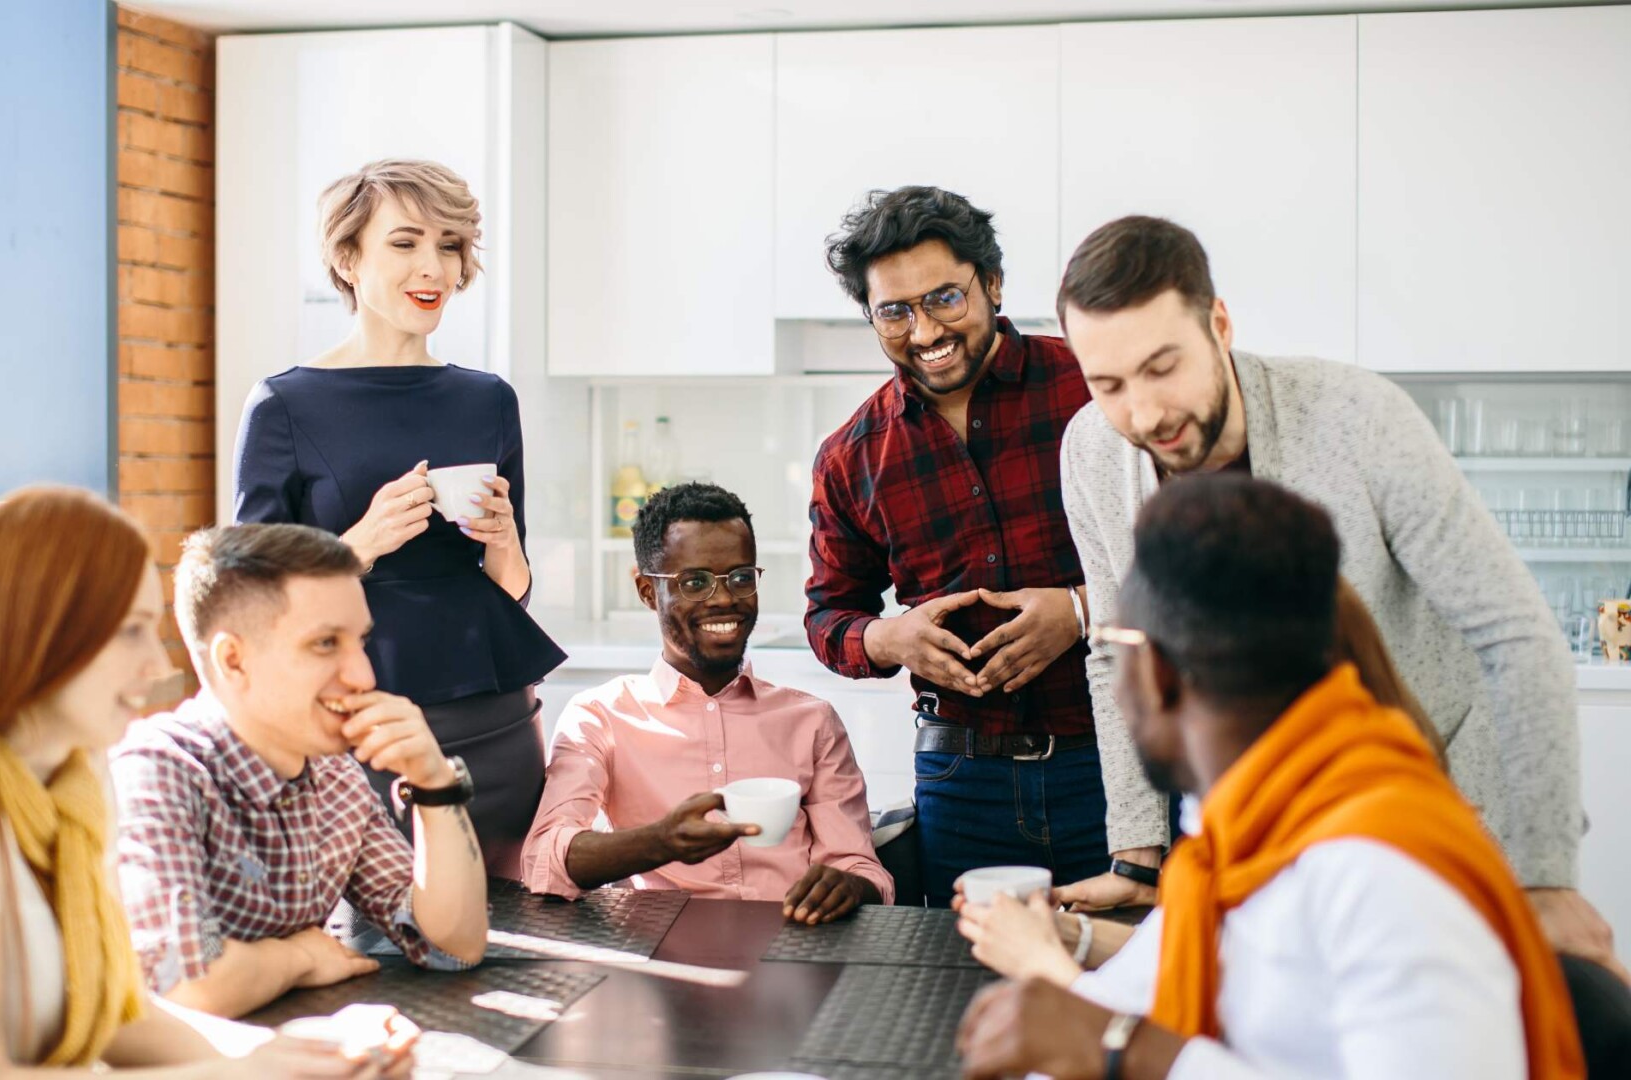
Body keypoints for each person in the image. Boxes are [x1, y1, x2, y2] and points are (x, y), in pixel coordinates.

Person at [1051, 214, 1619, 977]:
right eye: (1109, 383)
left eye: (1163, 367)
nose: (1144, 413)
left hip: (1430, 795)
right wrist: (1140, 852)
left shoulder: (1357, 417)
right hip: (1251, 818)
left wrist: (1543, 875)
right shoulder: (1090, 450)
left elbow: (1513, 632)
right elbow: (1114, 646)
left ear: (1218, 325)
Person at [956, 474, 1583, 1080]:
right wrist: (1067, 946)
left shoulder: (1382, 872)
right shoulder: (1239, 834)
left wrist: (1128, 1049)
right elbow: (1142, 991)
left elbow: (1124, 1033)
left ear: (1159, 676)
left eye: (1115, 644)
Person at [0, 488, 389, 1079]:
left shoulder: (75, 781)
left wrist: (302, 1058)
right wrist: (237, 1073)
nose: (160, 664)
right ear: (42, 634)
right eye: (130, 631)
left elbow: (117, 1010)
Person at [232, 158, 565, 876]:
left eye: (449, 246)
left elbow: (510, 589)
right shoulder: (284, 406)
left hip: (498, 719)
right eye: (406, 243)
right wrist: (359, 545)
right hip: (361, 724)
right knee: (381, 947)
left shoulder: (488, 400)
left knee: (522, 932)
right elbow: (244, 602)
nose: (434, 268)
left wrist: (503, 542)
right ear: (348, 259)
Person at [806, 185, 1119, 905]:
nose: (923, 331)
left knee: (1126, 980)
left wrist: (1078, 611)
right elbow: (828, 619)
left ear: (993, 284)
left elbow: (1191, 567)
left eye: (946, 298)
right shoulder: (851, 455)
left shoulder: (1093, 391)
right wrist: (893, 639)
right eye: (895, 311)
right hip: (960, 782)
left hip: (1115, 759)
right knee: (963, 996)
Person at [954, 578, 1444, 982]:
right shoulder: (1245, 821)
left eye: (1131, 653)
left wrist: (1049, 971)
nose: (1123, 691)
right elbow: (1220, 961)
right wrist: (1069, 938)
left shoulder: (1369, 864)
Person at [112, 524, 488, 1019]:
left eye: (360, 642)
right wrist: (301, 957)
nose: (364, 676)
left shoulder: (336, 777)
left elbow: (454, 947)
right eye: (326, 644)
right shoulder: (157, 770)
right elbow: (186, 983)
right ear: (234, 660)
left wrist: (435, 783)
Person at [524, 483, 892, 922]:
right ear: (646, 591)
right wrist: (659, 842)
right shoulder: (600, 717)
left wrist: (849, 883)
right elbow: (544, 858)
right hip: (661, 956)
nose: (723, 599)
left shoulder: (812, 721)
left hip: (796, 946)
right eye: (694, 582)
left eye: (739, 578)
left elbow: (860, 866)